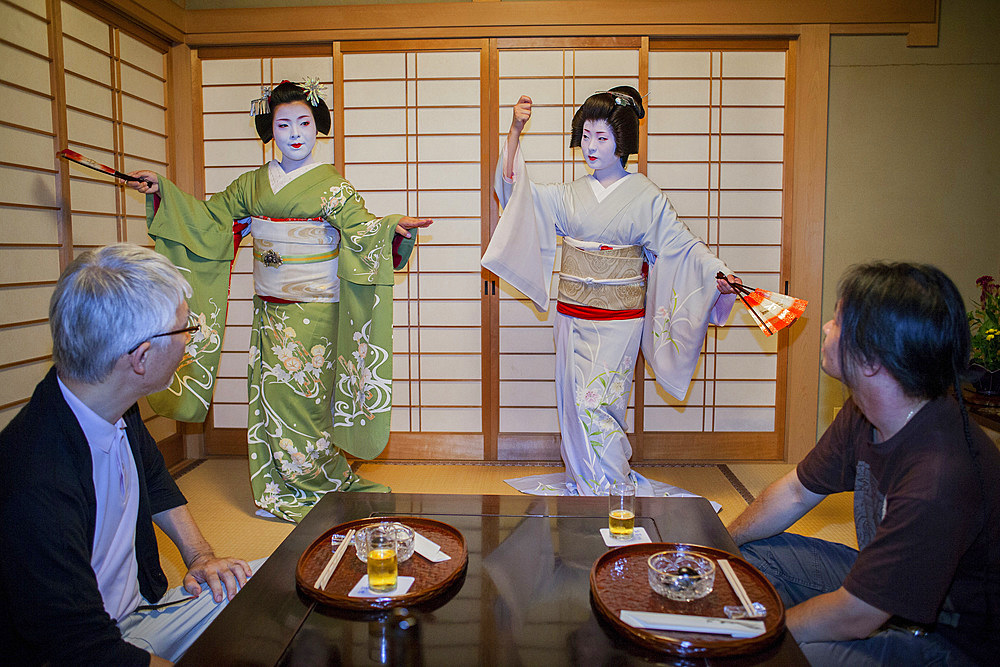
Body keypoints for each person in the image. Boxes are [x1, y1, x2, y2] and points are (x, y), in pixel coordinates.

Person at [127, 79, 432, 522]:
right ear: (270, 130)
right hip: (270, 308)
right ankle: (277, 482)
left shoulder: (335, 189)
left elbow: (363, 229)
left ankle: (314, 480)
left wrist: (391, 227)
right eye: (283, 123)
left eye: (304, 123)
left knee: (309, 400)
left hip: (318, 311)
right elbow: (208, 222)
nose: (294, 133)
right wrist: (162, 191)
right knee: (271, 395)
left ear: (317, 128)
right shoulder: (250, 185)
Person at [727, 262, 1000, 665]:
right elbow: (796, 491)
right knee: (744, 562)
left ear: (873, 358)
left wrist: (762, 638)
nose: (824, 328)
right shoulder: (865, 409)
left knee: (796, 658)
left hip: (954, 639)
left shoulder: (940, 475)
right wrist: (720, 542)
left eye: (837, 321)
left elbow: (857, 615)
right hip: (883, 591)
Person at [0, 244, 256, 665]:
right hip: (89, 652)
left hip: (138, 616)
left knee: (276, 584)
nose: (190, 339)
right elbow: (84, 651)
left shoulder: (110, 400)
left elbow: (154, 481)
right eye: (184, 328)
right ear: (141, 357)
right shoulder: (36, 479)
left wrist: (201, 558)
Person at [482, 87, 741, 497]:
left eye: (602, 138)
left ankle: (608, 487)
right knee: (573, 403)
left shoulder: (646, 197)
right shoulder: (568, 194)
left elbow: (682, 246)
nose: (591, 146)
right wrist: (514, 129)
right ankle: (587, 483)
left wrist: (717, 275)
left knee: (598, 405)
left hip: (619, 322)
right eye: (585, 136)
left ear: (622, 143)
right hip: (571, 317)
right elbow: (516, 193)